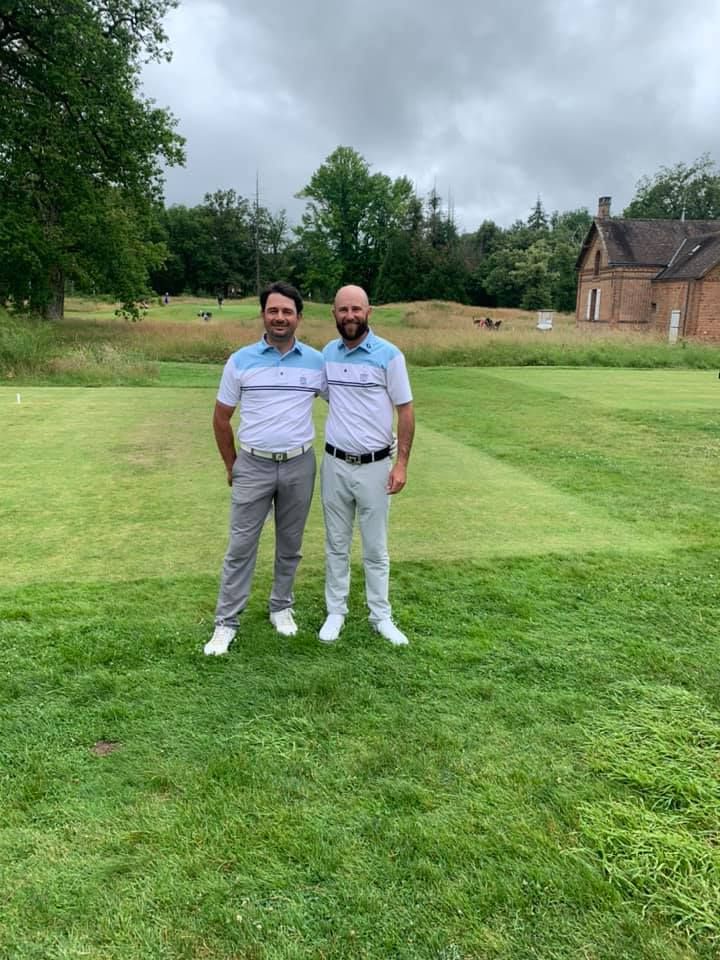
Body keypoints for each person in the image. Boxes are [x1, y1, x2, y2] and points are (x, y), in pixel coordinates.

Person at [204, 281, 326, 656]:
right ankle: (226, 622)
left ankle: (281, 606)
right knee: (241, 546)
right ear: (263, 315)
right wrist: (233, 466)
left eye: (287, 311)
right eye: (273, 311)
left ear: (298, 317)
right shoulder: (240, 361)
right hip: (253, 464)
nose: (279, 317)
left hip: (299, 464)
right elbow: (221, 419)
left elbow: (344, 402)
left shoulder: (316, 362)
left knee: (290, 545)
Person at [319, 284, 415, 647]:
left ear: (368, 312)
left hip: (375, 466)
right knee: (336, 544)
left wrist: (401, 463)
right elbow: (329, 396)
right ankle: (336, 611)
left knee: (375, 548)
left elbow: (405, 410)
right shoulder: (327, 354)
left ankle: (380, 616)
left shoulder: (389, 355)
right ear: (334, 313)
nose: (350, 316)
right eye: (343, 309)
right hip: (334, 464)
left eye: (356, 309)